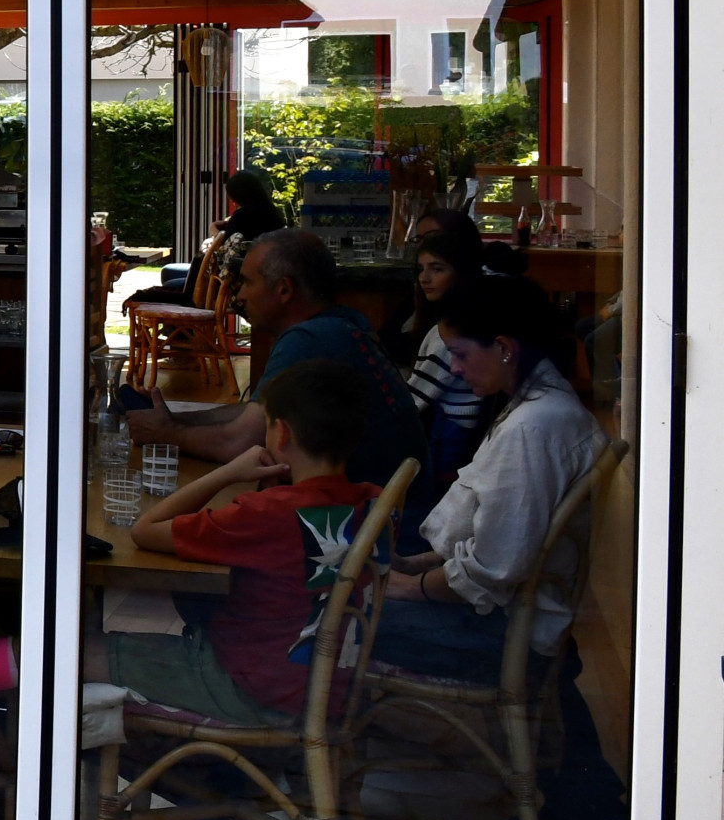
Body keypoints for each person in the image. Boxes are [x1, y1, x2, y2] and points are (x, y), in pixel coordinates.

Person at [105, 359, 382, 725]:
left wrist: (229, 472)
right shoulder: (372, 502)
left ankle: (47, 739)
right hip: (326, 688)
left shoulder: (267, 514)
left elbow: (145, 530)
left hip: (250, 688)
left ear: (281, 434)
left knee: (77, 653)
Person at [372, 275, 606, 680]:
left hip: (504, 633)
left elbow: (491, 571)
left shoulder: (531, 428)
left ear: (504, 348)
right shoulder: (546, 405)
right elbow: (499, 542)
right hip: (510, 617)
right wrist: (409, 566)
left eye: (460, 354)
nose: (455, 369)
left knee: (336, 613)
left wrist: (406, 587)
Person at [128, 229, 424, 488]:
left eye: (247, 282)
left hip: (375, 526)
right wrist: (174, 419)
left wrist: (166, 433)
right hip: (383, 512)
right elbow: (256, 414)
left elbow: (241, 442)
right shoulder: (342, 323)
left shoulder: (309, 339)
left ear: (284, 289)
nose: (240, 295)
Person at [393, 209, 493, 531]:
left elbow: (414, 401)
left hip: (452, 436)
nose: (424, 279)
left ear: (460, 274)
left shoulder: (444, 335)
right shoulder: (469, 319)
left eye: (436, 269)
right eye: (421, 269)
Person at [125, 167, 285, 310]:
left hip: (225, 283)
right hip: (257, 278)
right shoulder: (273, 215)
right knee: (169, 271)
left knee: (170, 278)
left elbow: (224, 247)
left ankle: (185, 329)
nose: (231, 201)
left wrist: (214, 229)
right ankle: (179, 331)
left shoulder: (243, 215)